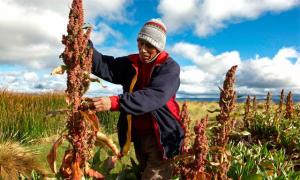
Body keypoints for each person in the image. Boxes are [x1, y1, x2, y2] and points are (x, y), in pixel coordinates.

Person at [90, 18, 184, 179]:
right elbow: (106, 66)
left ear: (159, 47)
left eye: (149, 46)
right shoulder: (132, 62)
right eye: (140, 43)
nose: (143, 50)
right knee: (143, 172)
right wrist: (85, 48)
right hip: (140, 136)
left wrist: (114, 102)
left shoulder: (170, 67)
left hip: (162, 138)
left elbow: (154, 95)